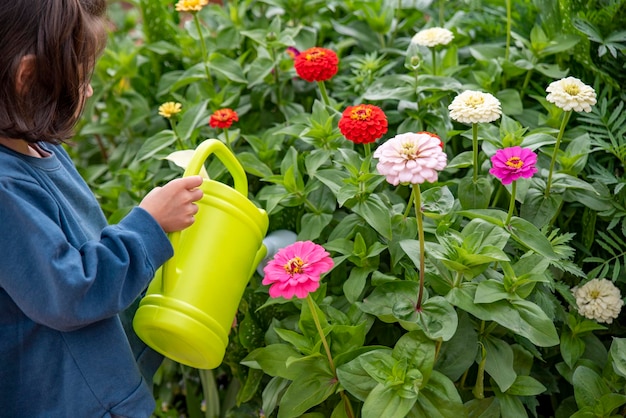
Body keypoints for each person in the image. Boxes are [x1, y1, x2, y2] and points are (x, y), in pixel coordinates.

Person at [0, 0, 204, 416]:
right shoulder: (5, 189)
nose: (89, 90)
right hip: (71, 403)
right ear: (28, 77)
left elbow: (86, 248)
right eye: (82, 79)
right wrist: (148, 226)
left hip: (102, 387)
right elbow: (69, 291)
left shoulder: (36, 146)